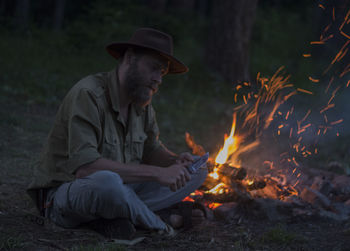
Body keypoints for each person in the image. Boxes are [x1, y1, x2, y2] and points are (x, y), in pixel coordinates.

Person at [27, 28, 208, 239]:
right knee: (107, 183)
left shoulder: (142, 104)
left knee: (199, 170)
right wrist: (158, 173)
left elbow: (152, 149)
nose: (158, 79)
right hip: (70, 194)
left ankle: (116, 217)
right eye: (154, 68)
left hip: (122, 189)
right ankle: (161, 223)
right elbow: (86, 169)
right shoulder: (89, 95)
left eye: (163, 73)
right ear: (130, 58)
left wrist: (175, 161)